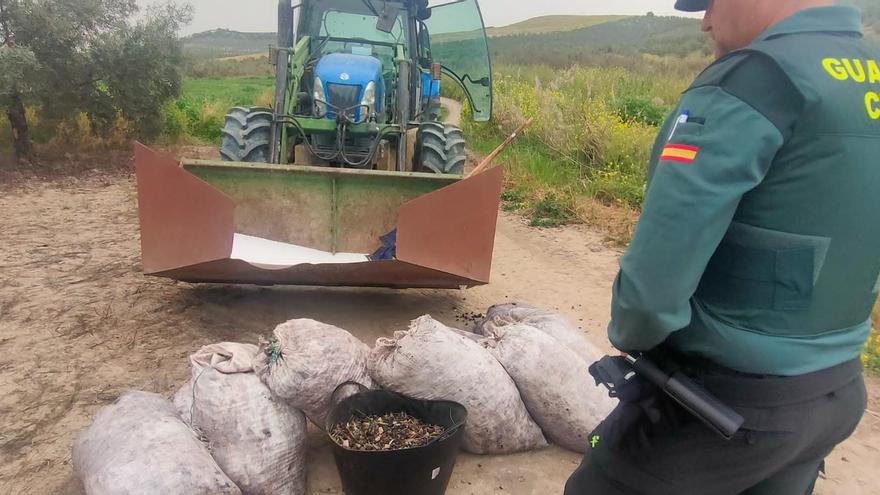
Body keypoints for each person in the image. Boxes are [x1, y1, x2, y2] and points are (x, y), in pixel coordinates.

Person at [564, 0, 880, 494]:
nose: (706, 20)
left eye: (709, 2)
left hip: (721, 408)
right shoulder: (870, 67)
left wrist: (633, 332)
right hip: (834, 391)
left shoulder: (755, 82)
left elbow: (648, 296)